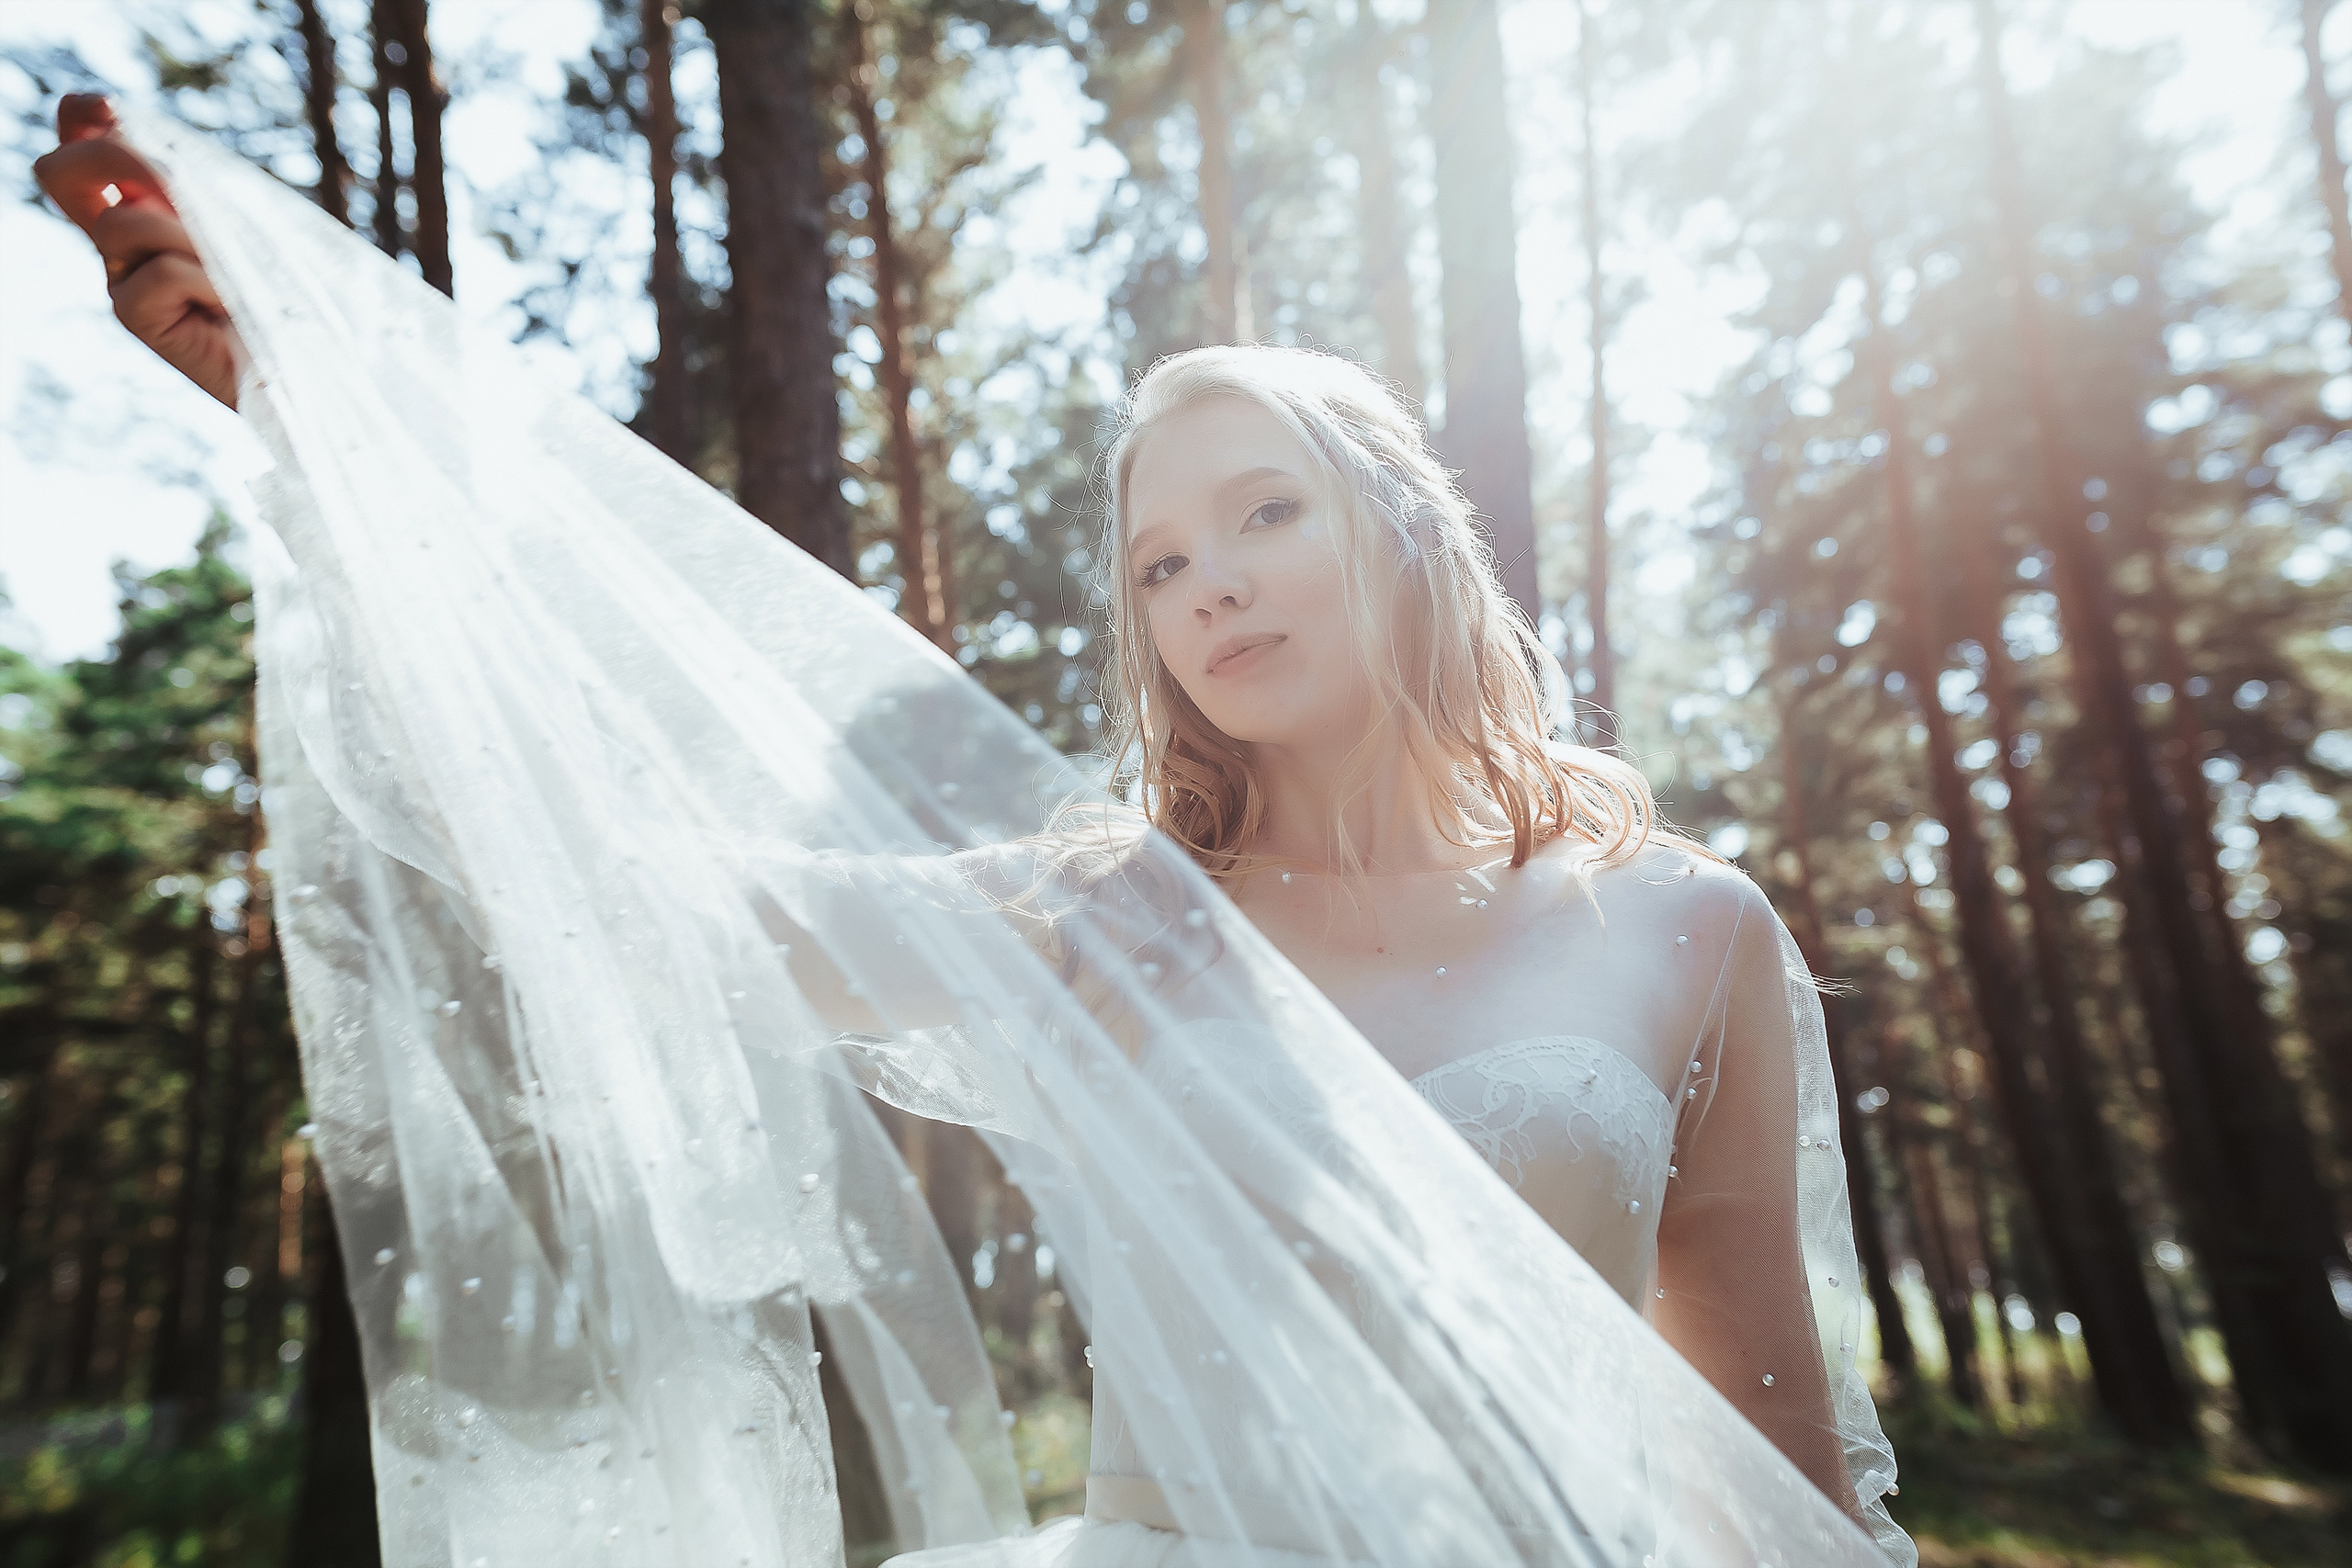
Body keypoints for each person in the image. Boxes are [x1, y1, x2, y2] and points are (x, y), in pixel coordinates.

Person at [37, 97, 1908, 1566]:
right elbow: (632, 897)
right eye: (1160, 558)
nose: (1208, 583)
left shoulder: (1682, 928)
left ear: (1405, 527)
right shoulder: (1096, 913)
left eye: (1264, 511)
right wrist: (313, 443)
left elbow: (1756, 1430)